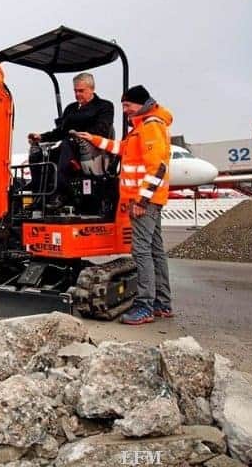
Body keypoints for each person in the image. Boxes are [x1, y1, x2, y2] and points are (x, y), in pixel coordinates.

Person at [73, 85, 173, 325]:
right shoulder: (140, 129)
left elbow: (157, 167)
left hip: (142, 202)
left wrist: (141, 200)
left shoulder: (150, 127)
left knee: (141, 252)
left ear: (141, 104)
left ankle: (145, 306)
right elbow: (122, 149)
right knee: (155, 250)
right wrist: (94, 139)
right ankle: (162, 303)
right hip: (146, 200)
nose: (125, 110)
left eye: (128, 106)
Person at [28, 73, 114, 208]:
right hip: (69, 147)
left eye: (81, 91)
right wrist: (42, 137)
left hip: (93, 150)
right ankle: (39, 196)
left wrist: (80, 135)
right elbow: (61, 131)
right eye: (75, 91)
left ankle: (61, 193)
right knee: (38, 155)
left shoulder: (104, 106)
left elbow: (102, 129)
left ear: (92, 89)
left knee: (67, 143)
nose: (77, 94)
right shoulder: (71, 108)